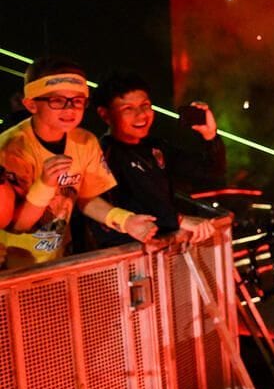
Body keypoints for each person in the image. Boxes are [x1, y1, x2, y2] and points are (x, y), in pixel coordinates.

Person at [0, 58, 157, 269]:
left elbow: (85, 197)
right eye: (57, 100)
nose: (70, 109)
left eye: (77, 100)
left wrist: (124, 220)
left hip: (58, 260)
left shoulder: (85, 141)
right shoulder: (10, 149)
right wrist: (44, 185)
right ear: (31, 104)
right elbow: (17, 224)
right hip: (13, 267)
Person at [89, 73, 226, 248]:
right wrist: (179, 220)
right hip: (128, 255)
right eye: (128, 109)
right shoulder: (103, 155)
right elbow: (129, 207)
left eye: (145, 105)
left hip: (165, 252)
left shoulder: (155, 146)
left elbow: (211, 170)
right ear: (105, 114)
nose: (141, 115)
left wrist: (210, 136)